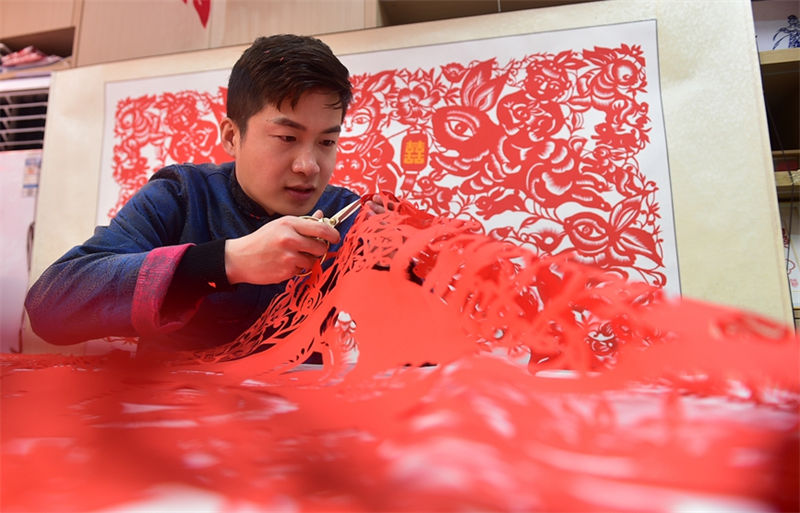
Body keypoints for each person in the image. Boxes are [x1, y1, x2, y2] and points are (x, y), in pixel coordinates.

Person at [25, 34, 383, 354]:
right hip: (170, 415)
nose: (309, 165)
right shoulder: (180, 196)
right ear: (231, 136)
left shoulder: (348, 215)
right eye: (287, 138)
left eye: (327, 142)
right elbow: (50, 307)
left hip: (304, 415)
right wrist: (226, 262)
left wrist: (398, 257)